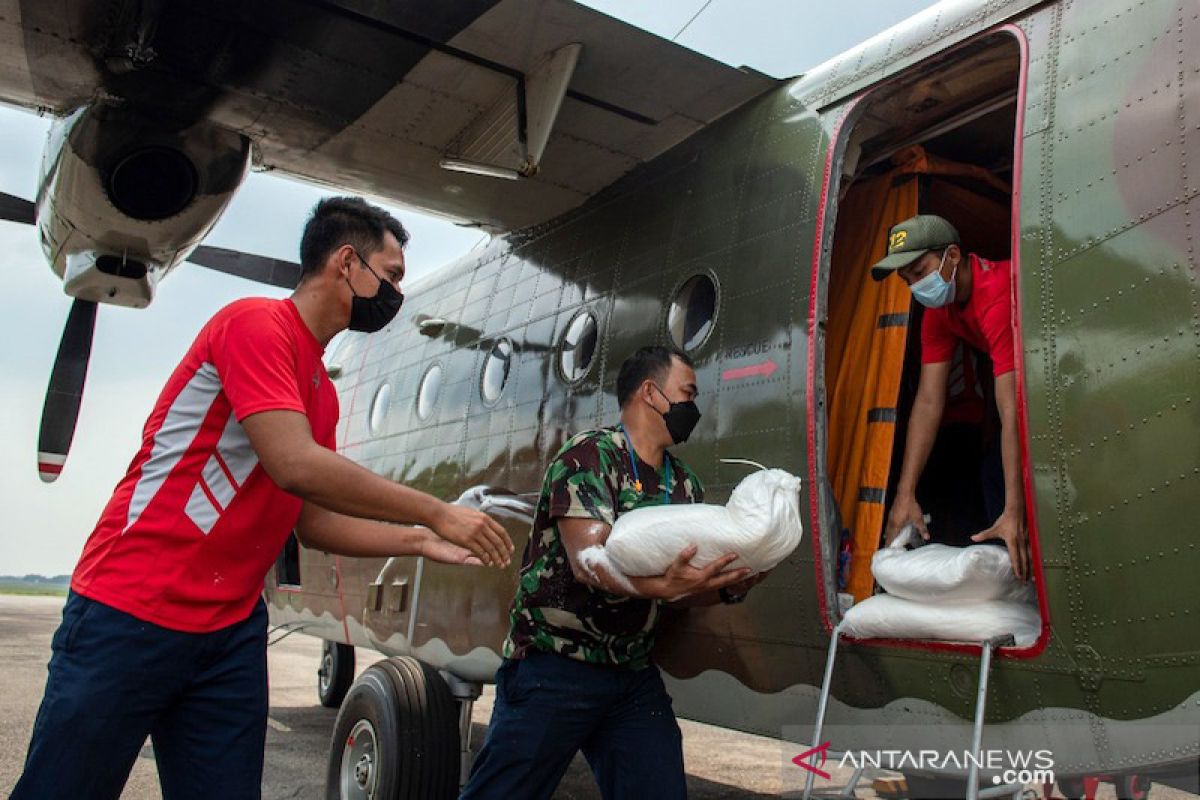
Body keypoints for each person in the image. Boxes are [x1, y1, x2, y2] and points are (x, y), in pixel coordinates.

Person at [13, 196, 514, 800]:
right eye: (392, 273)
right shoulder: (254, 325)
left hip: (226, 633)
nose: (395, 292)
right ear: (347, 262)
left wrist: (420, 543)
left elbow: (315, 524)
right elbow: (295, 464)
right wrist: (437, 510)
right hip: (133, 610)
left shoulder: (320, 393)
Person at [460, 345, 767, 800]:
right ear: (650, 393)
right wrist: (665, 585)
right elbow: (591, 564)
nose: (693, 407)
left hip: (630, 676)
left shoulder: (683, 485)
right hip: (555, 669)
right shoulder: (589, 457)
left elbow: (677, 592)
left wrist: (724, 587)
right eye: (686, 393)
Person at [871, 213, 1030, 580]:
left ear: (953, 256)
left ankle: (1017, 569)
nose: (914, 284)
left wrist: (1014, 509)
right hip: (1014, 400)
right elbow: (928, 401)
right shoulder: (938, 312)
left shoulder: (998, 294)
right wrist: (904, 493)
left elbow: (1013, 410)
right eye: (905, 278)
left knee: (1001, 482)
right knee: (990, 476)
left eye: (919, 270)